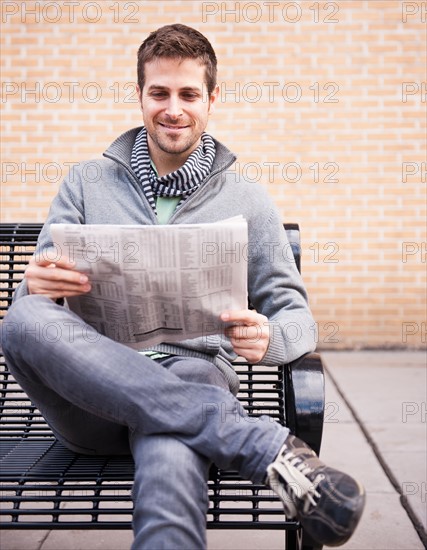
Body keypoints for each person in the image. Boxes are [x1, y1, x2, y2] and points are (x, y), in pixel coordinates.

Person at [0, 24, 365, 550]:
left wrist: (270, 338)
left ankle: (231, 447)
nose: (173, 108)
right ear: (140, 96)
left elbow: (296, 316)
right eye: (160, 93)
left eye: (189, 94)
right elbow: (32, 319)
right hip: (91, 399)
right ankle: (261, 447)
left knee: (175, 432)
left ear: (212, 99)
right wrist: (36, 288)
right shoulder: (84, 184)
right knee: (25, 318)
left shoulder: (249, 201)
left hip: (192, 376)